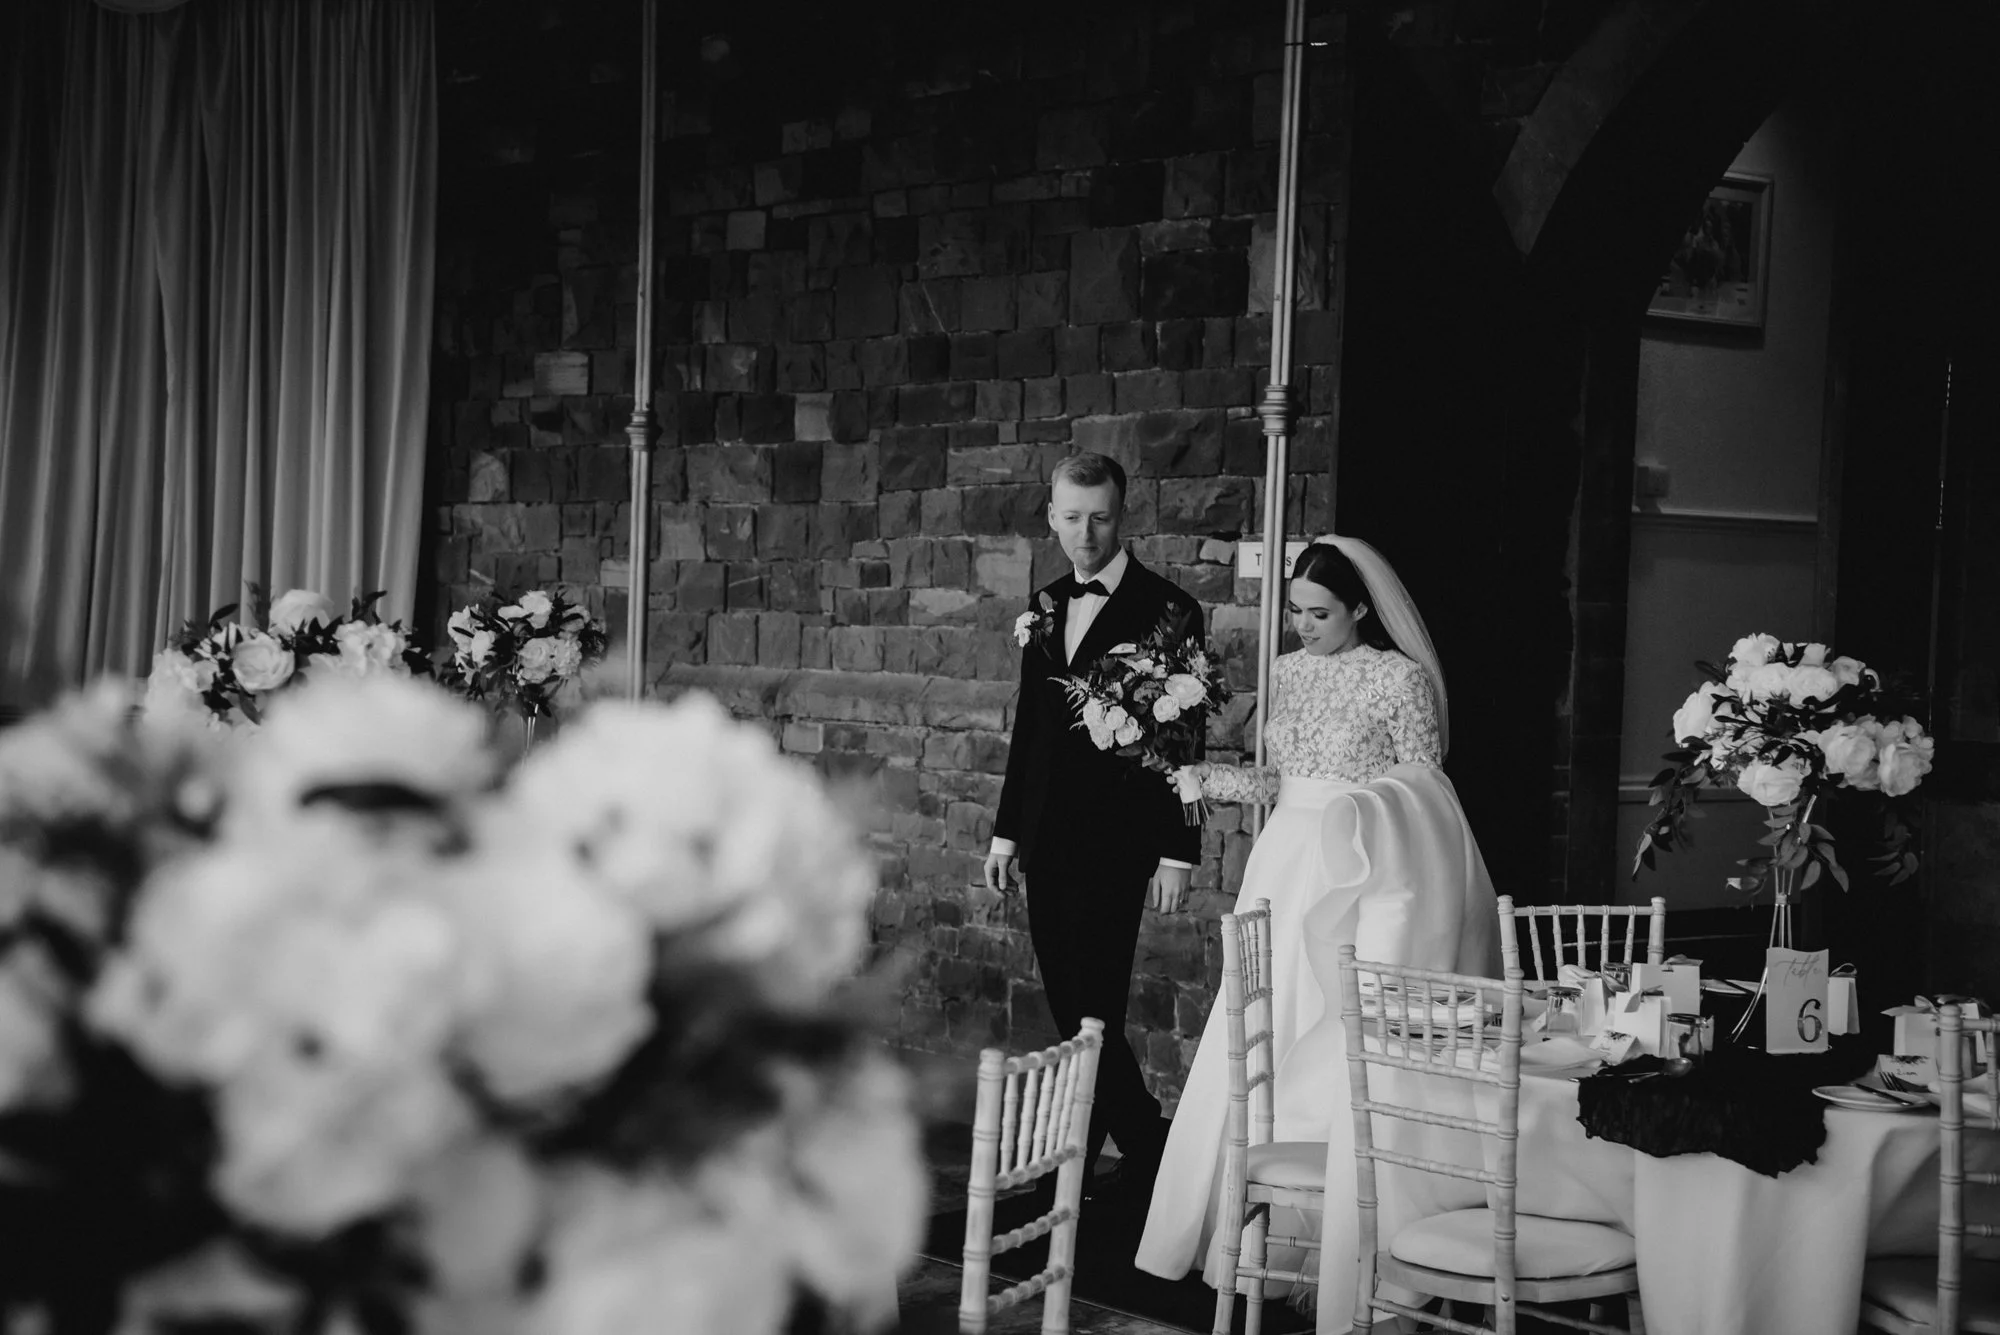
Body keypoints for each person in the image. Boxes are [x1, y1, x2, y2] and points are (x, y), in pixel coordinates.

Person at [1133, 536, 1500, 1321]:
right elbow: (1283, 779)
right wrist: (1207, 776)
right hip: (1281, 861)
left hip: (1353, 870)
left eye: (1320, 613)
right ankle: (1251, 1235)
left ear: (1361, 607)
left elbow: (1427, 790)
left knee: (1333, 1029)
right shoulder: (1289, 671)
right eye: (1296, 610)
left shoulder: (1398, 678)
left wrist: (1360, 810)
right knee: (1263, 1020)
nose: (1302, 625)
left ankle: (1348, 1244)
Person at [984, 451, 1204, 1204]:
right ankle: (1135, 1150)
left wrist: (1177, 851)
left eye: (1100, 518)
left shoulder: (1169, 608)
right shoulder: (1044, 604)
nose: (1086, 533)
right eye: (1072, 518)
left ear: (1122, 515)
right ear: (1052, 516)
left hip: (1120, 839)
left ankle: (1119, 1158)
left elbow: (1184, 737)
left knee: (1093, 1007)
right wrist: (1006, 834)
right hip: (1046, 837)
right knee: (1071, 1006)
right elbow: (1031, 732)